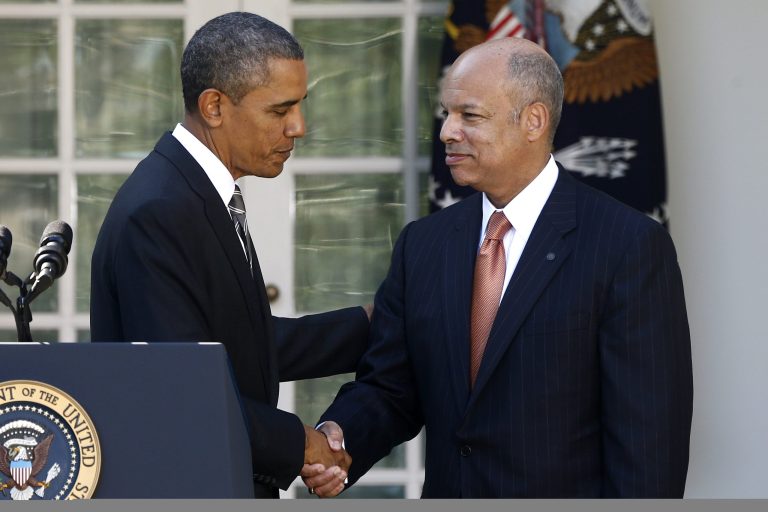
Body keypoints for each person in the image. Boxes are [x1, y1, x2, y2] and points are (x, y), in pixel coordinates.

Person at [302, 37, 693, 498]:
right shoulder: (423, 245)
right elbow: (391, 387)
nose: (447, 131)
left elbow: (648, 446)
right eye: (447, 113)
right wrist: (338, 437)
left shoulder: (627, 247)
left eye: (469, 116)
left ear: (533, 120)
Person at [90, 12, 367, 498]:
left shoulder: (192, 193)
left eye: (300, 106)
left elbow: (236, 345)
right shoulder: (160, 210)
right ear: (214, 106)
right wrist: (302, 443)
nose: (299, 127)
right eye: (280, 111)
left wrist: (369, 325)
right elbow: (180, 389)